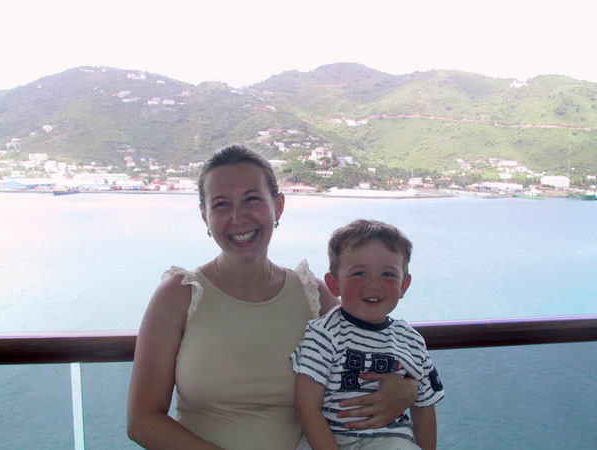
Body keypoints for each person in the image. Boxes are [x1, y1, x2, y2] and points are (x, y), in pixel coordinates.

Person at [127, 145, 418, 450]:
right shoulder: (180, 294)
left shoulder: (314, 297)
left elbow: (379, 347)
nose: (238, 217)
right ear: (205, 216)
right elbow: (142, 421)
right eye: (221, 204)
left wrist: (410, 389)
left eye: (251, 199)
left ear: (277, 206)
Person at [291, 219, 444, 450]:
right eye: (359, 273)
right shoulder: (323, 334)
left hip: (389, 442)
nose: (374, 285)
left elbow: (424, 408)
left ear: (404, 285)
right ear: (334, 284)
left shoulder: (412, 342)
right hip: (328, 439)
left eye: (388, 274)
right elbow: (307, 407)